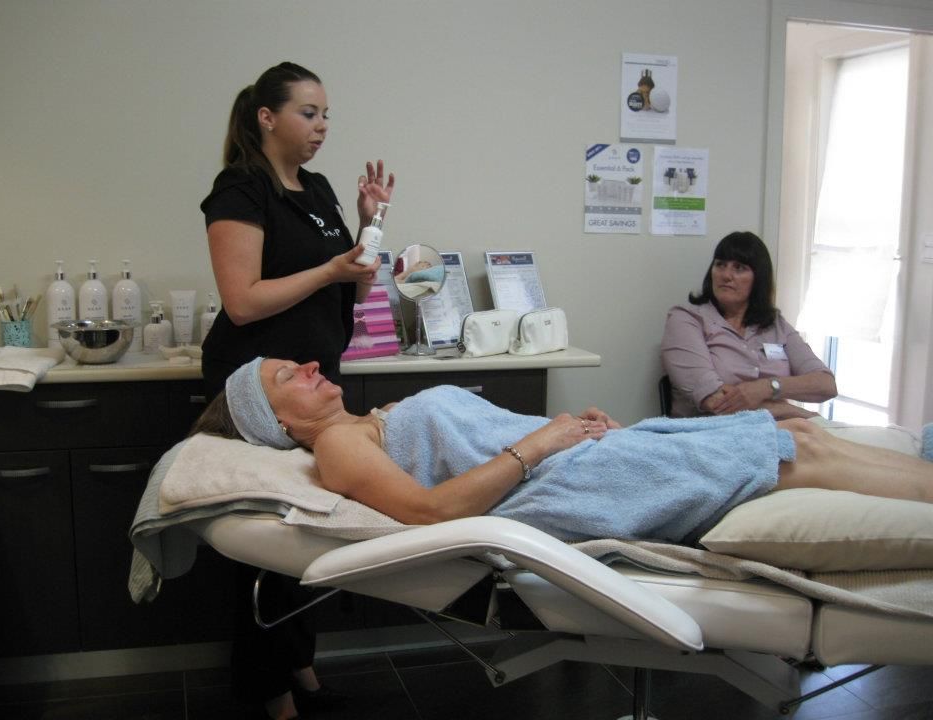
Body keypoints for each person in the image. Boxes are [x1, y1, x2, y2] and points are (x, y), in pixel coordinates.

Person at [190, 357, 933, 550]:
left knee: (798, 435)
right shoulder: (341, 449)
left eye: (298, 362)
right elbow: (430, 511)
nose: (310, 369)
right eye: (289, 378)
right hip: (565, 483)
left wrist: (566, 422)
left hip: (578, 454)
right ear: (281, 426)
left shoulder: (370, 420)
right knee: (792, 452)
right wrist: (542, 441)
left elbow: (483, 435)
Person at [199, 61, 394, 720]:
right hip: (263, 387)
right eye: (309, 113)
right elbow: (243, 301)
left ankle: (302, 668)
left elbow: (354, 284)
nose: (322, 127)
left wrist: (369, 223)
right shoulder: (242, 188)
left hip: (316, 382)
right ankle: (270, 693)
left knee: (309, 529)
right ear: (266, 116)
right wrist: (327, 269)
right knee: (266, 540)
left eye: (326, 115)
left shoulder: (316, 189)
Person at [661, 231, 837, 419]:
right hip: (711, 435)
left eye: (739, 268)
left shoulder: (775, 325)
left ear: (758, 278)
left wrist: (767, 387)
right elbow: (717, 401)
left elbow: (826, 385)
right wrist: (794, 412)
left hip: (780, 432)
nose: (726, 275)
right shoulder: (686, 319)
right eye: (720, 265)